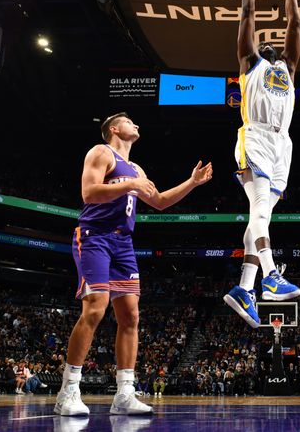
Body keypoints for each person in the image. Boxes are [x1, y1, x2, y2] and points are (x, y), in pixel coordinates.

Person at [54, 112, 212, 416]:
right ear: (114, 128)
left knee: (130, 315)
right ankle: (68, 390)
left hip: (123, 243)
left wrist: (191, 183)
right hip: (95, 237)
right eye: (130, 121)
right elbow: (89, 193)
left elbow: (161, 201)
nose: (137, 124)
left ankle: (125, 393)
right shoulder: (101, 152)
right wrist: (131, 186)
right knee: (96, 307)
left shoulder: (137, 168)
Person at [224, 0, 300, 328]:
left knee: (263, 218)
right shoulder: (249, 63)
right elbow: (247, 12)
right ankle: (271, 275)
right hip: (254, 135)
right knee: (258, 213)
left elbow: (296, 22)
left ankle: (243, 287)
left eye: (275, 42)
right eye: (263, 41)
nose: (268, 41)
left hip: (282, 145)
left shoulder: (288, 67)